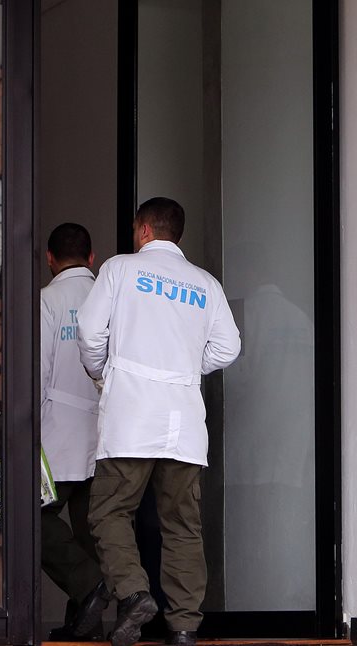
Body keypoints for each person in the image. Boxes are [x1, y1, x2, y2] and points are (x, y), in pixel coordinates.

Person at [75, 197, 241, 646]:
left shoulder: (119, 270)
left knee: (110, 510)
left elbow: (90, 332)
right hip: (183, 420)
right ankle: (184, 626)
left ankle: (133, 594)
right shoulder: (205, 284)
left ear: (144, 230)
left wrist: (101, 371)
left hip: (131, 412)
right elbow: (228, 349)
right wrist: (184, 367)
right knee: (182, 525)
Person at [39, 223, 108, 640]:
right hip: (106, 431)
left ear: (50, 258)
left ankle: (88, 586)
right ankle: (88, 626)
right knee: (90, 528)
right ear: (92, 257)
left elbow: (40, 369)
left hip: (56, 431)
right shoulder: (110, 297)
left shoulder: (49, 300)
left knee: (31, 520)